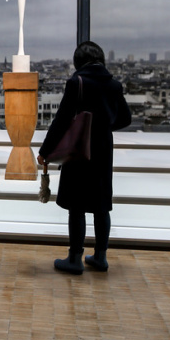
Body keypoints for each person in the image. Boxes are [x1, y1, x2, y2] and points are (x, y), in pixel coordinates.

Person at [37, 41, 131, 275]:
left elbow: (61, 121)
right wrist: (104, 126)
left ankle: (75, 258)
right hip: (102, 149)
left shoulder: (76, 82)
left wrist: (45, 151)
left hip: (78, 149)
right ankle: (100, 257)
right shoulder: (114, 85)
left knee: (76, 206)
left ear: (78, 62)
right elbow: (126, 119)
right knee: (101, 205)